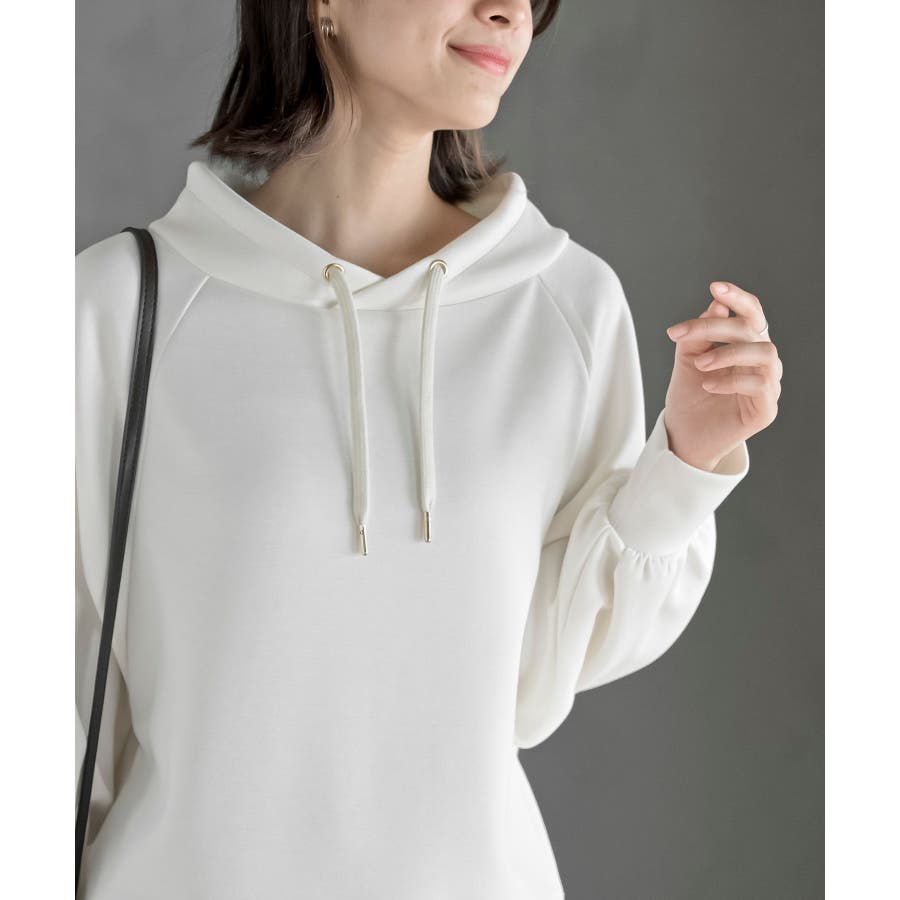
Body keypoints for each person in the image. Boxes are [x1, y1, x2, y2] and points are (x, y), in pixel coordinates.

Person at [74, 1, 781, 897]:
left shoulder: (564, 304)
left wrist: (686, 459)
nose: (508, 12)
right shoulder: (116, 310)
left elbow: (541, 673)